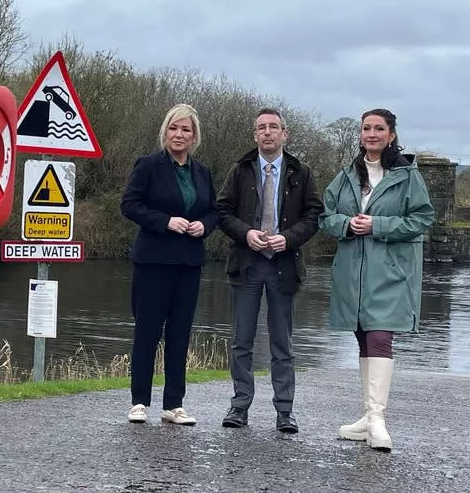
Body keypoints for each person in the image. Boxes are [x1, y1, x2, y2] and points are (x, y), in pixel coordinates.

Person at [319, 108, 434, 452]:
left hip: (391, 272)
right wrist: (345, 224)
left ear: (391, 135)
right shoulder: (346, 175)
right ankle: (368, 417)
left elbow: (422, 219)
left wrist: (377, 225)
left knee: (381, 337)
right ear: (360, 135)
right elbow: (325, 215)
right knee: (364, 338)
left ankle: (379, 420)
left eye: (379, 129)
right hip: (352, 272)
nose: (371, 134)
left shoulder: (408, 176)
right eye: (366, 128)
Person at [216, 108, 322, 432]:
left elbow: (314, 215)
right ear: (255, 136)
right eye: (261, 128)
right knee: (242, 341)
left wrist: (288, 239)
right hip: (247, 265)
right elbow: (222, 211)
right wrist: (245, 233)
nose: (267, 132)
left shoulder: (301, 172)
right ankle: (239, 407)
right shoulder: (241, 170)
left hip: (283, 266)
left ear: (284, 134)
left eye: (273, 127)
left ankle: (285, 412)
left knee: (282, 343)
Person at [120, 103, 218, 425]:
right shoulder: (148, 166)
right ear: (165, 131)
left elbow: (214, 211)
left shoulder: (202, 172)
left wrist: (205, 225)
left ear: (194, 137)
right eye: (174, 128)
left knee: (180, 334)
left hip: (189, 263)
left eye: (186, 130)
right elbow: (130, 205)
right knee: (147, 331)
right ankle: (139, 403)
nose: (179, 134)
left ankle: (173, 405)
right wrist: (165, 221)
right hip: (153, 261)